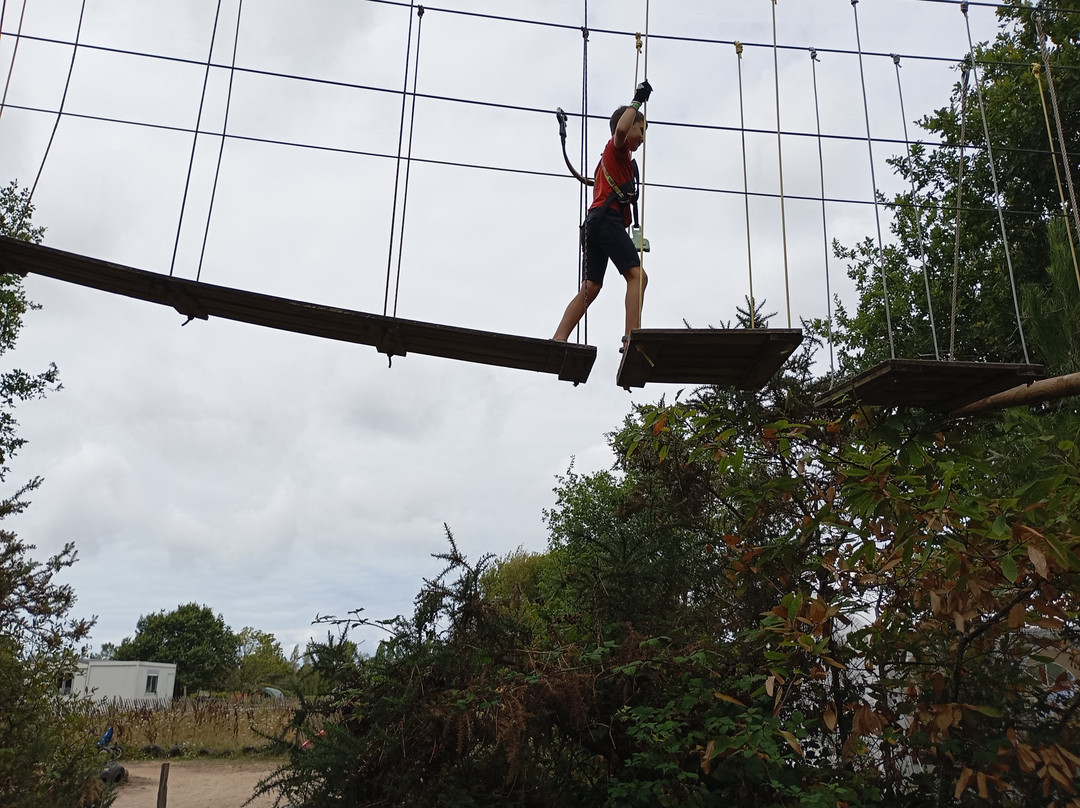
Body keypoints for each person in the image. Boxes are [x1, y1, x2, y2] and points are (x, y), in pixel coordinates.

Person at [552, 80, 653, 348]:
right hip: (607, 221)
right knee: (638, 277)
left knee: (591, 287)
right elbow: (620, 130)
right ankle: (632, 337)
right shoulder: (617, 149)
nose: (642, 136)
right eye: (640, 129)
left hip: (595, 223)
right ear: (628, 124)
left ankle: (559, 337)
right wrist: (637, 101)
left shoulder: (611, 162)